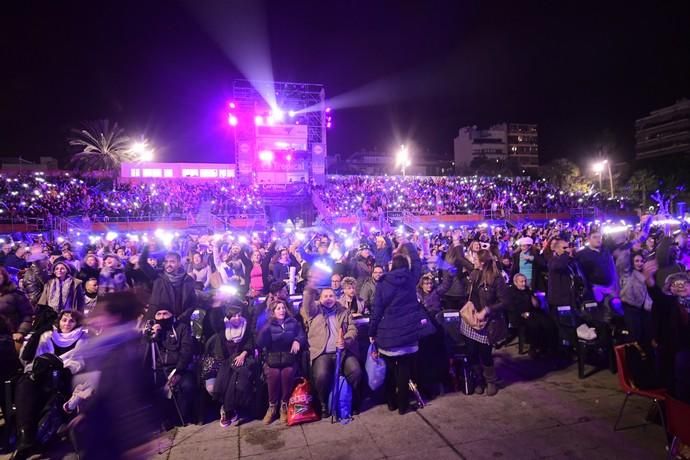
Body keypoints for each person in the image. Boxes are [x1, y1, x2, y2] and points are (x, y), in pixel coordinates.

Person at [71, 291, 159, 460]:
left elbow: (128, 396)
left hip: (117, 438)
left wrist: (136, 441)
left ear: (115, 317)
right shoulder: (103, 348)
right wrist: (86, 413)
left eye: (100, 314)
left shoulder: (121, 350)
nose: (92, 319)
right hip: (102, 430)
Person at [13, 310, 87, 460]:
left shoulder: (82, 338)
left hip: (65, 377)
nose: (66, 324)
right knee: (25, 385)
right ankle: (25, 440)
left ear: (77, 323)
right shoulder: (47, 336)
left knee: (53, 392)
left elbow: (79, 361)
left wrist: (60, 367)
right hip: (42, 374)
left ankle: (40, 440)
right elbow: (35, 359)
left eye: (71, 321)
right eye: (64, 320)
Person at [369, 242, 423, 414]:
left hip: (389, 334)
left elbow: (377, 310)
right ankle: (403, 405)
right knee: (404, 369)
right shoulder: (410, 280)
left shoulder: (383, 283)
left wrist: (372, 332)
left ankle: (391, 402)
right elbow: (418, 264)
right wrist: (408, 245)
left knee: (390, 369)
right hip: (407, 333)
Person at [301, 286, 361, 416]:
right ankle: (323, 404)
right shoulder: (314, 311)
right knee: (321, 375)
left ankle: (353, 401)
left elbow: (353, 329)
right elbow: (307, 303)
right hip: (322, 352)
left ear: (336, 297)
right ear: (320, 299)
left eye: (331, 296)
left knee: (355, 371)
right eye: (325, 296)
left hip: (343, 350)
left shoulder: (344, 311)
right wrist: (311, 287)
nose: (328, 299)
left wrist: (346, 340)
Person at [459, 249, 508, 396]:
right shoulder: (474, 274)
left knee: (485, 353)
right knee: (472, 352)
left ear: (482, 262)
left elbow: (505, 301)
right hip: (470, 320)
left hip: (486, 322)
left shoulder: (496, 278)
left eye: (475, 259)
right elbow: (459, 260)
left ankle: (490, 380)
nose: (473, 260)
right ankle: (478, 379)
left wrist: (487, 310)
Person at [256, 300, 306, 424]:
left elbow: (302, 335)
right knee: (273, 375)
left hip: (289, 357)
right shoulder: (268, 325)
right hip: (273, 358)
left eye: (283, 308)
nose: (282, 310)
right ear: (273, 312)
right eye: (278, 308)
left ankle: (284, 405)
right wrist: (265, 328)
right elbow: (260, 343)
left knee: (287, 373)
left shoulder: (293, 322)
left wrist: (297, 341)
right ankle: (272, 406)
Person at [145, 305, 195, 426]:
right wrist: (153, 336)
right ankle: (164, 418)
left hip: (179, 368)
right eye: (159, 314)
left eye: (165, 313)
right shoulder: (152, 331)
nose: (162, 317)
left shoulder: (181, 328)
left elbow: (186, 351)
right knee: (154, 390)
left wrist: (178, 371)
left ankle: (181, 417)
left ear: (171, 314)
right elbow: (145, 353)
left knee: (187, 386)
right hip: (160, 369)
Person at [208, 302, 256, 427]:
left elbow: (250, 343)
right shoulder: (223, 328)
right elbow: (213, 320)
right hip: (226, 360)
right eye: (234, 316)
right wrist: (217, 304)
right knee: (225, 378)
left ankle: (227, 409)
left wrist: (243, 354)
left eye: (239, 315)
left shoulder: (246, 326)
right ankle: (227, 409)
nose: (237, 318)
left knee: (236, 377)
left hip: (242, 358)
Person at [141, 247, 197, 322]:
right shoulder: (157, 276)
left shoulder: (187, 280)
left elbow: (192, 303)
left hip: (178, 323)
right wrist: (147, 247)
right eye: (166, 262)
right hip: (156, 321)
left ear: (179, 263)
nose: (168, 264)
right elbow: (142, 263)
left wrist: (181, 319)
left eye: (172, 262)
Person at [508, 273, 558, 358]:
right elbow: (511, 307)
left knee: (548, 321)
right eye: (521, 282)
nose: (524, 283)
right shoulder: (511, 292)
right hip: (518, 315)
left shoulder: (527, 290)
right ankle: (533, 348)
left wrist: (533, 297)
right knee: (534, 324)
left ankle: (547, 346)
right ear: (515, 282)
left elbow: (536, 305)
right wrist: (521, 313)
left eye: (525, 281)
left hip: (531, 312)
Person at [620, 252, 653, 345]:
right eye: (637, 261)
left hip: (645, 310)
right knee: (634, 336)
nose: (640, 263)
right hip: (631, 309)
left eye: (642, 261)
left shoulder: (647, 275)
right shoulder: (628, 275)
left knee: (646, 336)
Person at [0, 266, 33, 348]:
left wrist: (21, 332)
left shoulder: (16, 294)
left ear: (4, 276)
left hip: (10, 337)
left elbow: (27, 315)